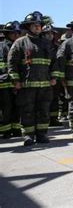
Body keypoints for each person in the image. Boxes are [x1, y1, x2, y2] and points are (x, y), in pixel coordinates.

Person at [8, 11, 56, 146]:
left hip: (45, 85)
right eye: (34, 25)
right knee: (27, 111)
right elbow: (12, 63)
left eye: (39, 25)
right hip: (27, 85)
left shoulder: (46, 43)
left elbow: (54, 63)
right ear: (28, 27)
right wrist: (15, 80)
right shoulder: (19, 43)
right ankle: (28, 135)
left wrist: (53, 77)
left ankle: (41, 134)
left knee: (43, 110)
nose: (37, 27)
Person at [0, 21, 21, 139]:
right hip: (4, 84)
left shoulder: (19, 46)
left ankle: (16, 129)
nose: (16, 35)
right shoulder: (1, 46)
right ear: (7, 34)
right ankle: (5, 131)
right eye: (13, 33)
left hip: (17, 83)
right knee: (6, 108)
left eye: (17, 33)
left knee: (17, 106)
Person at [42, 24, 63, 127]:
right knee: (44, 100)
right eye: (47, 33)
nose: (49, 35)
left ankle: (53, 119)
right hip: (42, 77)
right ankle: (44, 119)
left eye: (51, 33)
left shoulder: (57, 46)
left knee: (55, 98)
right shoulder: (39, 46)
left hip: (55, 78)